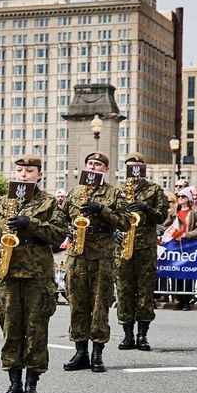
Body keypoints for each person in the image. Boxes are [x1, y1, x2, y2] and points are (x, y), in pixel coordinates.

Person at [0, 154, 67, 393]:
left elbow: (58, 235)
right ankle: (14, 384)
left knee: (36, 331)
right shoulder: (3, 203)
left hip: (37, 277)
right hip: (8, 276)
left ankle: (32, 385)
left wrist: (30, 223)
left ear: (39, 174)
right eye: (20, 170)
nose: (23, 175)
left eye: (29, 171)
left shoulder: (49, 203)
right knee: (10, 330)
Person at [61, 151, 125, 372]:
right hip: (77, 256)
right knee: (77, 304)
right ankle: (80, 352)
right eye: (90, 163)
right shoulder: (75, 192)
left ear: (105, 169)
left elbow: (125, 222)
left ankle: (97, 353)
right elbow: (60, 220)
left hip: (102, 257)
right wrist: (69, 230)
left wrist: (102, 209)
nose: (93, 167)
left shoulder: (114, 193)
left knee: (100, 305)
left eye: (98, 164)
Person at [114, 153, 169, 351]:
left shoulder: (154, 189)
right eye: (130, 166)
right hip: (123, 248)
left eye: (137, 166)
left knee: (145, 292)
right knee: (124, 290)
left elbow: (162, 216)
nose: (134, 170)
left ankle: (142, 335)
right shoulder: (118, 190)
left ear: (143, 168)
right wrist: (115, 233)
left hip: (145, 248)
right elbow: (110, 217)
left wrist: (147, 208)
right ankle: (127, 335)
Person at [162, 187, 197, 310]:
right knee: (176, 271)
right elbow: (165, 225)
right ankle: (179, 299)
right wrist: (170, 233)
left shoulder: (195, 211)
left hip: (190, 244)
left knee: (188, 271)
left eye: (183, 196)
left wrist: (187, 235)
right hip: (175, 245)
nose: (180, 199)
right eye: (179, 196)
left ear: (188, 198)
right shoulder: (173, 211)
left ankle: (186, 299)